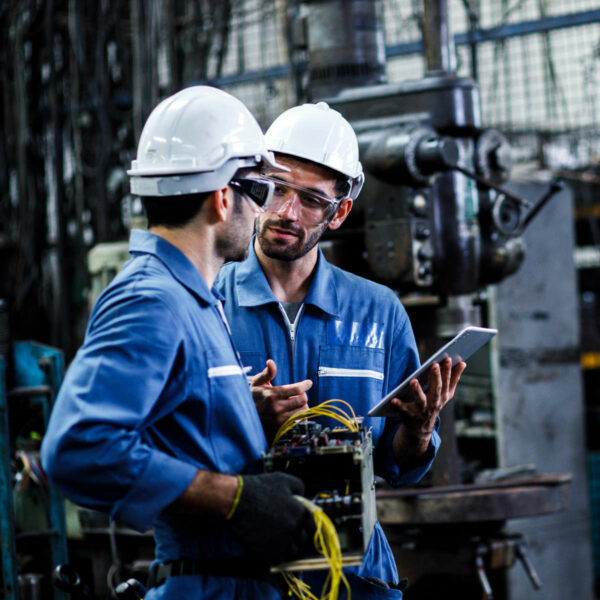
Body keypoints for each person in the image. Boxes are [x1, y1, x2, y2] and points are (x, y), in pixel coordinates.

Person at [41, 86, 317, 600]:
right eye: (259, 192)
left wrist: (231, 415)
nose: (263, 212)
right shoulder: (153, 301)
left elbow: (171, 423)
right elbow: (79, 448)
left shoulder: (195, 299)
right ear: (221, 197)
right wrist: (235, 496)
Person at [214, 101, 466, 598]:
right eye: (278, 188)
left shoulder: (379, 313)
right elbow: (171, 444)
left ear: (339, 212)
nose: (286, 211)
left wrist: (419, 429)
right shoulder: (209, 301)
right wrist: (244, 415)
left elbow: (400, 465)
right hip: (243, 573)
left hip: (356, 577)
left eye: (310, 200)